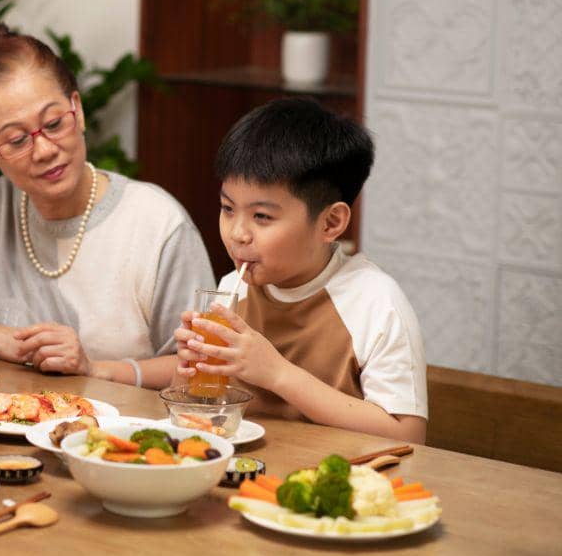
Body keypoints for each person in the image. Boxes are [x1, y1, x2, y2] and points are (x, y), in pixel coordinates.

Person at [0, 24, 214, 388]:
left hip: (129, 437)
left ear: (78, 109)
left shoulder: (157, 223)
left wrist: (95, 370)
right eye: (17, 139)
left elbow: (202, 368)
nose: (44, 150)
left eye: (54, 123)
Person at [174, 98, 428, 444]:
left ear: (331, 222)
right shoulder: (234, 288)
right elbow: (209, 412)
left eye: (261, 216)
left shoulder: (376, 303)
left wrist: (277, 373)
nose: (237, 233)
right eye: (227, 208)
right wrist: (189, 372)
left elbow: (409, 434)